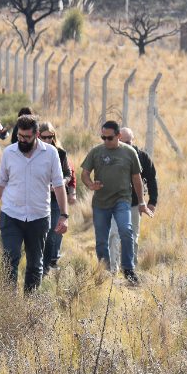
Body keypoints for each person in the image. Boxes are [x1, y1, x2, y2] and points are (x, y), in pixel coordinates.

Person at [0, 115, 69, 294]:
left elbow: (59, 186)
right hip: (11, 216)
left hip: (39, 218)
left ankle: (29, 306)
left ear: (36, 134)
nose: (22, 140)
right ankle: (9, 306)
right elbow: (0, 184)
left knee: (35, 264)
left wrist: (64, 215)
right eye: (20, 136)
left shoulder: (51, 153)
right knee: (9, 260)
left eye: (27, 137)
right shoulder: (9, 153)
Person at [81, 121, 153, 284]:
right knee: (101, 239)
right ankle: (105, 271)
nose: (106, 141)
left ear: (119, 136)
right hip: (100, 202)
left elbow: (137, 178)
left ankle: (128, 268)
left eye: (110, 138)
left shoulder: (129, 153)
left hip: (122, 200)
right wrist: (90, 184)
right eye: (103, 137)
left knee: (126, 231)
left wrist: (142, 202)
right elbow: (84, 173)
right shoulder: (96, 152)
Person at [108, 127, 158, 270]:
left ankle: (130, 268)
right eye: (123, 142)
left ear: (133, 141)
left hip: (136, 204)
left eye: (129, 142)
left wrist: (152, 202)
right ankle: (113, 269)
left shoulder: (142, 157)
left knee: (132, 237)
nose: (126, 145)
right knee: (113, 234)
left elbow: (152, 179)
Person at [38, 122, 71, 274]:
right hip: (37, 197)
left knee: (52, 232)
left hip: (56, 197)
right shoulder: (33, 152)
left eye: (50, 137)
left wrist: (60, 184)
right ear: (38, 136)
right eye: (44, 137)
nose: (47, 140)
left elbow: (68, 173)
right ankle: (37, 263)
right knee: (38, 233)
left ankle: (45, 268)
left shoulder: (61, 153)